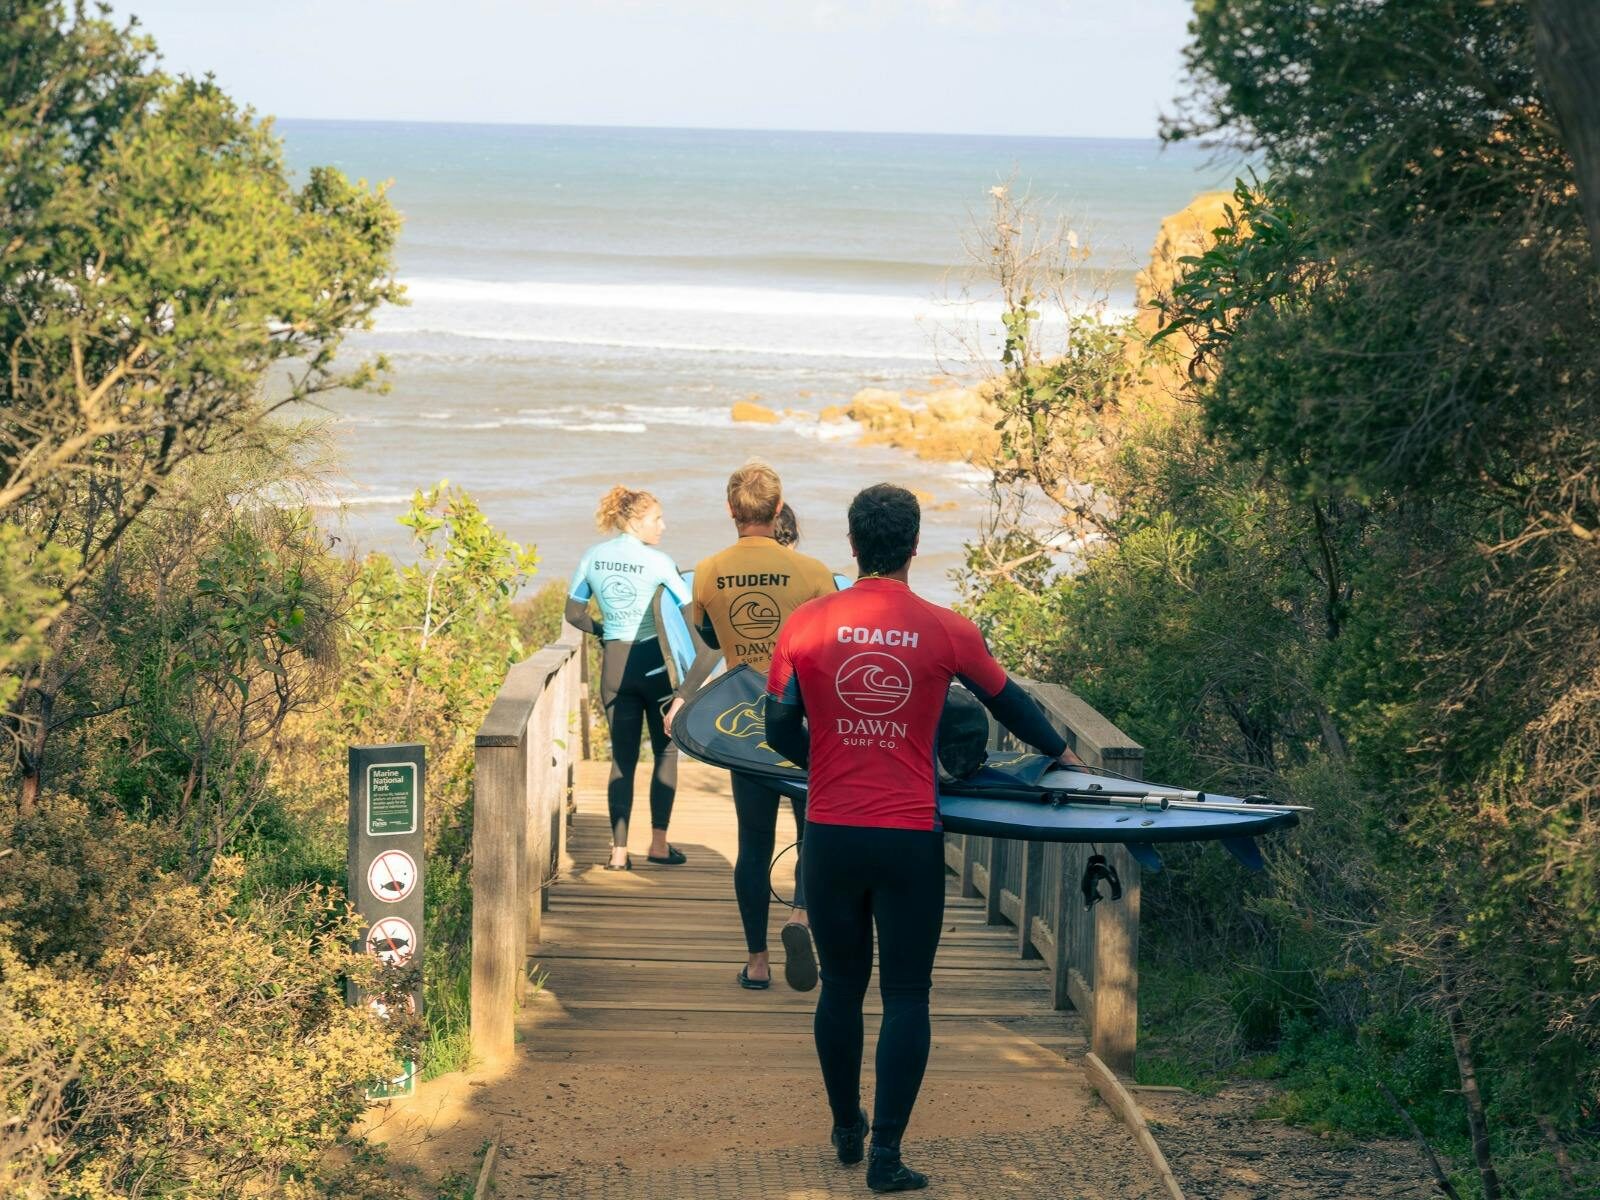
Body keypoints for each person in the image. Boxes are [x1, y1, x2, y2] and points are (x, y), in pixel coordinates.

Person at [763, 483, 1084, 1192]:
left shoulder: (805, 625)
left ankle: (846, 1127)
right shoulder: (948, 629)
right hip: (909, 833)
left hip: (832, 832)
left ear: (852, 545)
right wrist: (1059, 753)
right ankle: (885, 1156)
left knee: (841, 987)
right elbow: (1012, 704)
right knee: (908, 994)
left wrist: (823, 759)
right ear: (914, 546)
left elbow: (777, 726)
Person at [665, 461, 836, 991]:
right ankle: (802, 915)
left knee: (754, 842)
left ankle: (757, 961)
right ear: (778, 508)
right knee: (813, 834)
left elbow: (709, 637)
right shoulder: (812, 572)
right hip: (806, 718)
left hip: (746, 720)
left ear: (730, 510)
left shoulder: (709, 570)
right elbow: (832, 645)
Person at [566, 485, 691, 871]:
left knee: (622, 759)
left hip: (614, 668)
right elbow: (689, 614)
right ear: (637, 521)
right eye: (657, 518)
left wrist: (603, 630)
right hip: (653, 668)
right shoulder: (659, 561)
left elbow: (573, 613)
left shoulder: (594, 556)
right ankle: (657, 844)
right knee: (665, 751)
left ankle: (618, 852)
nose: (663, 525)